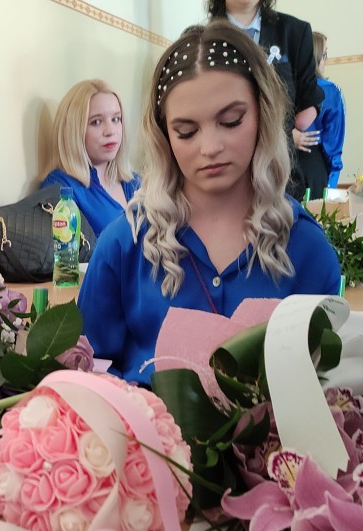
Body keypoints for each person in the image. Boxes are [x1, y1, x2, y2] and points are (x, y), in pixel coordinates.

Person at [78, 21, 341, 386]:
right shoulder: (125, 244)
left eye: (231, 121)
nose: (210, 148)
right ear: (165, 135)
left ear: (263, 113)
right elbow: (88, 371)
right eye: (186, 132)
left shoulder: (306, 247)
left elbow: (322, 384)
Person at [208, 0, 323, 200]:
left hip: (280, 174)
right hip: (224, 172)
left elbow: (309, 97)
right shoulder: (202, 38)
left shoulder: (294, 32)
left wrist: (286, 133)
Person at [39, 79, 141, 237]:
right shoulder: (60, 188)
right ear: (74, 130)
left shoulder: (134, 182)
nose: (110, 131)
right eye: (96, 122)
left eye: (116, 119)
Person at [296, 31, 345, 195]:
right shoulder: (330, 91)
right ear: (316, 57)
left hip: (279, 166)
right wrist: (331, 187)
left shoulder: (283, 86)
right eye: (325, 55)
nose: (326, 60)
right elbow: (333, 147)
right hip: (313, 167)